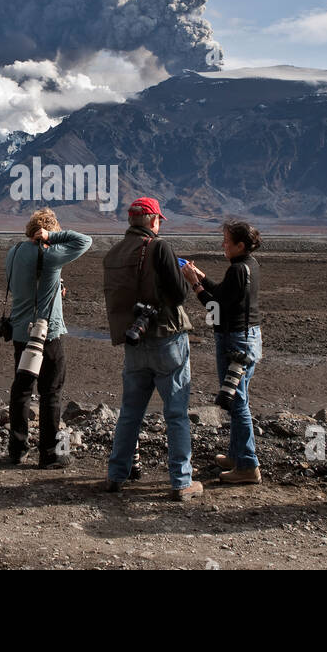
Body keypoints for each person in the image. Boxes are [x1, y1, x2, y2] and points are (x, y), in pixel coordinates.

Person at [102, 197, 202, 501]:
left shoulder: (113, 254)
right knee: (176, 413)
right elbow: (178, 295)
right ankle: (181, 482)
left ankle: (117, 474)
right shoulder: (160, 248)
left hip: (134, 341)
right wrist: (189, 278)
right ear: (153, 221)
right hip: (167, 338)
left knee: (130, 412)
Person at [4, 208, 92, 468]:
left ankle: (17, 449)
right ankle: (50, 453)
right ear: (46, 232)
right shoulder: (50, 254)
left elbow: (26, 284)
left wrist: (53, 288)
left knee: (21, 389)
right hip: (47, 334)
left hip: (20, 332)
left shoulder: (13, 252)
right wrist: (54, 238)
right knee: (50, 392)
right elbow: (85, 241)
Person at [182, 221, 263, 484]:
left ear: (240, 245)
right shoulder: (248, 266)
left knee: (236, 402)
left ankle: (248, 466)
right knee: (240, 397)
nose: (223, 245)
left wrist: (195, 285)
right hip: (248, 337)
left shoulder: (238, 270)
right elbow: (225, 295)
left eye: (227, 241)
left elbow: (216, 306)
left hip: (235, 342)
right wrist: (203, 277)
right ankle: (237, 455)